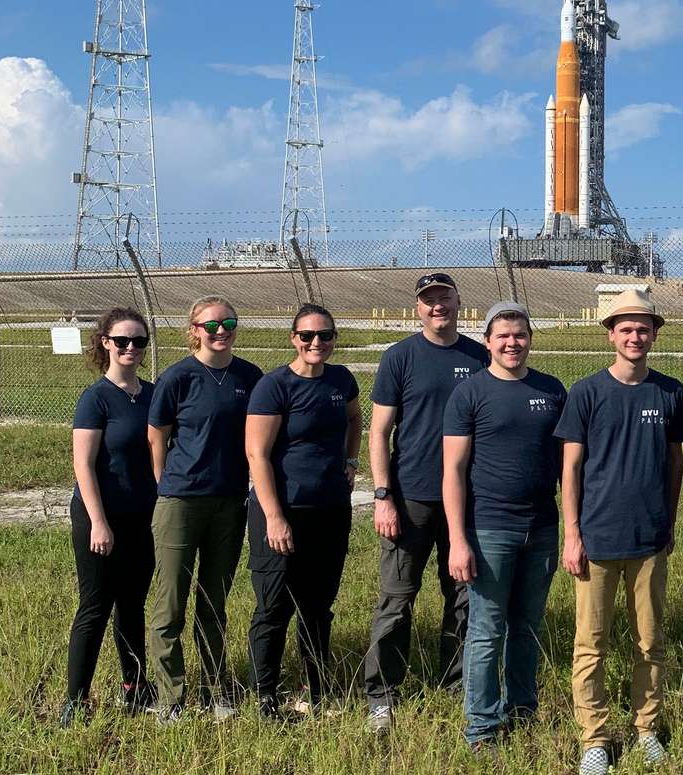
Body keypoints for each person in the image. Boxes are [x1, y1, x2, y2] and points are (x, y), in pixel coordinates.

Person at [553, 287, 683, 775]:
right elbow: (571, 468)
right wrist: (572, 533)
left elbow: (675, 462)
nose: (635, 336)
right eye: (625, 328)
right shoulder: (587, 392)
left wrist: (668, 522)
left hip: (649, 540)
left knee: (650, 641)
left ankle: (646, 729)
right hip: (597, 540)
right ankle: (595, 739)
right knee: (591, 644)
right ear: (610, 334)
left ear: (654, 335)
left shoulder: (669, 392)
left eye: (643, 329)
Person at [365, 272, 489, 734]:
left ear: (458, 302)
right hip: (411, 497)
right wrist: (383, 496)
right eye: (429, 299)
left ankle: (456, 684)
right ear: (418, 307)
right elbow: (379, 432)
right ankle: (382, 694)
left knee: (463, 594)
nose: (438, 306)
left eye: (444, 297)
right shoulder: (400, 357)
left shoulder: (479, 356)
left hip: (468, 499)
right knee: (397, 599)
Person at [443, 302, 567, 751]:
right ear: (487, 342)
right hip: (490, 530)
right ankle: (481, 727)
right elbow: (453, 471)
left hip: (542, 528)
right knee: (487, 630)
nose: (512, 343)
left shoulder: (551, 390)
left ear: (530, 339)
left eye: (520, 335)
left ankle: (522, 712)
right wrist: (458, 539)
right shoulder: (470, 394)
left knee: (527, 626)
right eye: (503, 336)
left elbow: (568, 465)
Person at [147, 296, 262, 723]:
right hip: (181, 501)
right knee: (170, 604)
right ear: (194, 329)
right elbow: (157, 435)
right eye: (211, 325)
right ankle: (171, 696)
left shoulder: (249, 377)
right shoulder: (177, 377)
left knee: (214, 603)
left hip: (229, 502)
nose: (221, 331)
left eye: (228, 323)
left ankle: (216, 690)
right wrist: (166, 484)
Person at [245, 304, 362, 720]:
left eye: (325, 335)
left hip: (329, 510)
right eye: (307, 335)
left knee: (317, 606)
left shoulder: (341, 380)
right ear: (293, 338)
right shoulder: (274, 385)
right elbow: (257, 454)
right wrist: (274, 516)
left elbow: (354, 418)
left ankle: (314, 689)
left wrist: (351, 461)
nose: (317, 343)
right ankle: (265, 695)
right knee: (274, 607)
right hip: (282, 510)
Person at [61, 307, 158, 727]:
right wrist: (99, 522)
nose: (131, 348)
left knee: (132, 606)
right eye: (122, 341)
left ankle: (135, 687)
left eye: (139, 341)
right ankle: (75, 700)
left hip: (142, 517)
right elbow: (83, 465)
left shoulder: (152, 394)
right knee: (95, 606)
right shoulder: (95, 398)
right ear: (106, 343)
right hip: (99, 515)